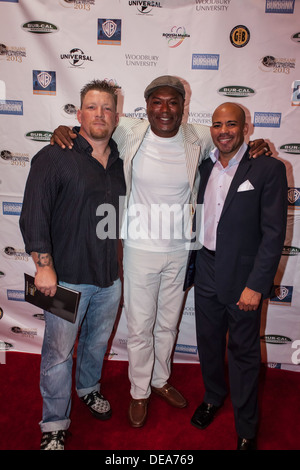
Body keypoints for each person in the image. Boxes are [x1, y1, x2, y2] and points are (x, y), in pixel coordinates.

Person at [51, 75, 270, 429]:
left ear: (184, 107)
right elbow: (94, 128)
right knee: (140, 326)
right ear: (146, 106)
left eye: (173, 102)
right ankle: (139, 391)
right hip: (139, 249)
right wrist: (65, 129)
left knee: (167, 324)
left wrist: (255, 143)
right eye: (157, 102)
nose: (164, 109)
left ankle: (159, 380)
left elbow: (230, 141)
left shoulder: (197, 136)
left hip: (182, 249)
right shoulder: (129, 131)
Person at [20, 80, 126, 450]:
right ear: (79, 114)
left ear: (116, 115)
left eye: (107, 108)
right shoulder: (54, 155)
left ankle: (88, 389)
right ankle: (54, 424)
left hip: (109, 280)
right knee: (57, 354)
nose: (100, 114)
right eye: (92, 107)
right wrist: (43, 265)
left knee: (96, 345)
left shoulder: (119, 161)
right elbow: (34, 214)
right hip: (65, 280)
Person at [184, 102, 287, 450]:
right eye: (217, 124)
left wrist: (257, 286)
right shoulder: (202, 165)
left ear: (246, 128)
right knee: (209, 345)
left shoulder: (268, 168)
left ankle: (246, 426)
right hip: (206, 267)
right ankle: (213, 397)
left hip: (244, 278)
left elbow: (273, 235)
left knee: (243, 353)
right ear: (210, 128)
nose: (223, 130)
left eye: (231, 124)